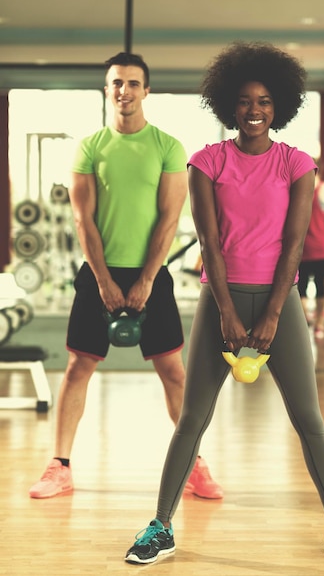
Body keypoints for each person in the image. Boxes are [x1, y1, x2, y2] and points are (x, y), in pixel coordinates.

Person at [124, 42, 324, 569]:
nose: (255, 110)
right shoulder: (207, 162)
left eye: (264, 100)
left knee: (308, 418)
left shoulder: (297, 164)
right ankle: (160, 527)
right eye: (244, 101)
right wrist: (228, 313)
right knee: (192, 417)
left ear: (278, 105)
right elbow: (211, 245)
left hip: (279, 301)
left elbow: (294, 245)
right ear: (229, 106)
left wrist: (270, 314)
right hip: (221, 299)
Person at [29, 52, 222, 501]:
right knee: (78, 367)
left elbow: (170, 218)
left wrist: (147, 279)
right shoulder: (91, 146)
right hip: (99, 271)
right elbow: (83, 221)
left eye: (133, 83)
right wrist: (103, 280)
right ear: (106, 89)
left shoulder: (167, 146)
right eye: (116, 83)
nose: (124, 91)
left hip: (152, 273)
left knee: (174, 371)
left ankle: (194, 463)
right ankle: (59, 466)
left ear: (146, 90)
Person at [297, 164, 324, 338]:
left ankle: (305, 321)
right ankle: (319, 325)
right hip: (322, 247)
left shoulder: (297, 189)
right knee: (321, 285)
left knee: (301, 286)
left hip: (301, 248)